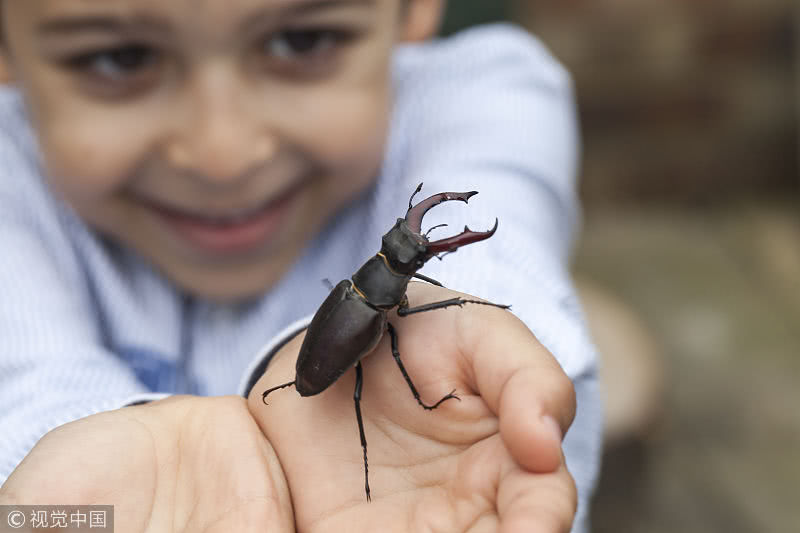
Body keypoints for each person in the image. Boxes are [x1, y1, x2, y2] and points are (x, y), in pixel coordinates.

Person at [0, 1, 602, 531]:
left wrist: (478, 332)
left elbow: (492, 270)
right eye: (120, 56)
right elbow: (24, 390)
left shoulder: (482, 92)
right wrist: (66, 499)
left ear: (414, 9)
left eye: (303, 40)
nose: (223, 156)